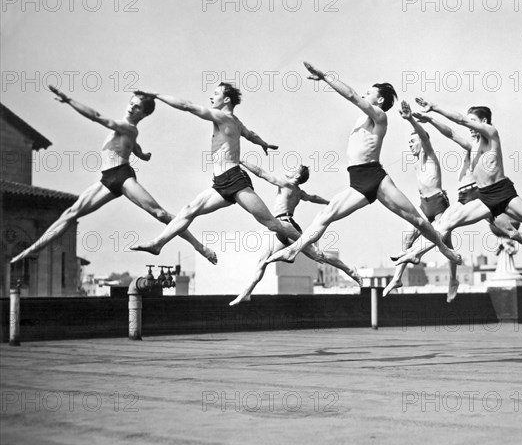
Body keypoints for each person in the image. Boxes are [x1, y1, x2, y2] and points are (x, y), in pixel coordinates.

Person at [266, 62, 461, 267]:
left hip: (374, 176)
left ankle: (443, 248)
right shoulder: (362, 119)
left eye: (369, 93)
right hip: (357, 179)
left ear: (380, 99)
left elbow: (351, 95)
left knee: (416, 220)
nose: (364, 94)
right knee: (325, 215)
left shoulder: (380, 116)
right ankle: (293, 251)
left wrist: (325, 77)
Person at [11, 86, 217, 265]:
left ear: (143, 115)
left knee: (160, 214)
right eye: (131, 103)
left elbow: (97, 117)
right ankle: (33, 249)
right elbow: (132, 144)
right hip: (106, 179)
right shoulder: (128, 129)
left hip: (123, 176)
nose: (131, 107)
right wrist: (141, 154)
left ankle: (199, 247)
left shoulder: (126, 127)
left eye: (137, 107)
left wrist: (68, 101)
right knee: (70, 213)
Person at [392, 98, 522, 274]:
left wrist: (435, 107)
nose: (469, 127)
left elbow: (462, 121)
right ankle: (412, 255)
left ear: (483, 122)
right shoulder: (472, 147)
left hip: (504, 193)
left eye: (474, 122)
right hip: (485, 198)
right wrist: (429, 119)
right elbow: (451, 133)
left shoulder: (492, 134)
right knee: (445, 224)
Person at [130, 83, 322, 260]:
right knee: (189, 210)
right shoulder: (235, 122)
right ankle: (158, 244)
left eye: (215, 94)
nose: (211, 98)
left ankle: (310, 248)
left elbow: (187, 106)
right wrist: (262, 143)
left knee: (272, 224)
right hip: (221, 182)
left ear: (227, 99)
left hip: (236, 180)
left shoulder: (221, 116)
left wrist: (155, 95)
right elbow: (250, 134)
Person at [229, 160, 362, 306]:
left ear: (297, 175)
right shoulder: (299, 192)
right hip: (279, 228)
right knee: (262, 261)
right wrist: (328, 203)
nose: (290, 169)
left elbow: (261, 173)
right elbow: (313, 198)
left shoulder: (286, 184)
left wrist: (241, 161)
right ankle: (247, 293)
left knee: (315, 254)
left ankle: (350, 271)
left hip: (287, 224)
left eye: (294, 168)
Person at [383, 101, 459, 301]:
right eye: (408, 142)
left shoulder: (430, 155)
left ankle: (453, 280)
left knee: (444, 242)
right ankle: (397, 278)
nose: (410, 145)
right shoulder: (416, 162)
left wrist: (410, 120)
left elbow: (425, 136)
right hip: (425, 206)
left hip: (439, 204)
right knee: (407, 238)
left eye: (412, 141)